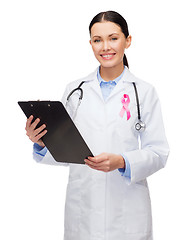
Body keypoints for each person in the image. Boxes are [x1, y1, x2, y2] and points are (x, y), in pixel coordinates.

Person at [25, 10, 169, 240]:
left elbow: (159, 153)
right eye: (97, 40)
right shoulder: (74, 91)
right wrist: (42, 141)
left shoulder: (144, 92)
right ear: (90, 44)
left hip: (126, 213)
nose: (105, 47)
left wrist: (122, 161)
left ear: (127, 41)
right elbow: (65, 150)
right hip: (84, 211)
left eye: (113, 38)